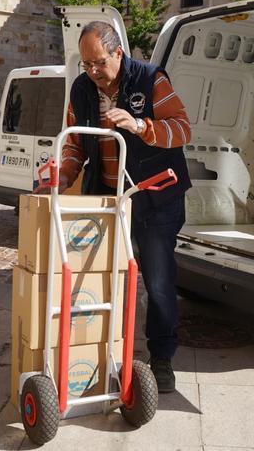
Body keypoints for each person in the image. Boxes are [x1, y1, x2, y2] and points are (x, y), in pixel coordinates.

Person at [57, 21, 192, 393]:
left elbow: (182, 129)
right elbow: (75, 143)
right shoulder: (82, 89)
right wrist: (64, 173)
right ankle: (108, 350)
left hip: (155, 198)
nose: (93, 71)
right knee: (107, 277)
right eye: (86, 64)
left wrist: (140, 125)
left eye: (99, 62)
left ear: (118, 53)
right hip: (109, 200)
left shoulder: (151, 79)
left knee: (158, 281)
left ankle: (161, 359)